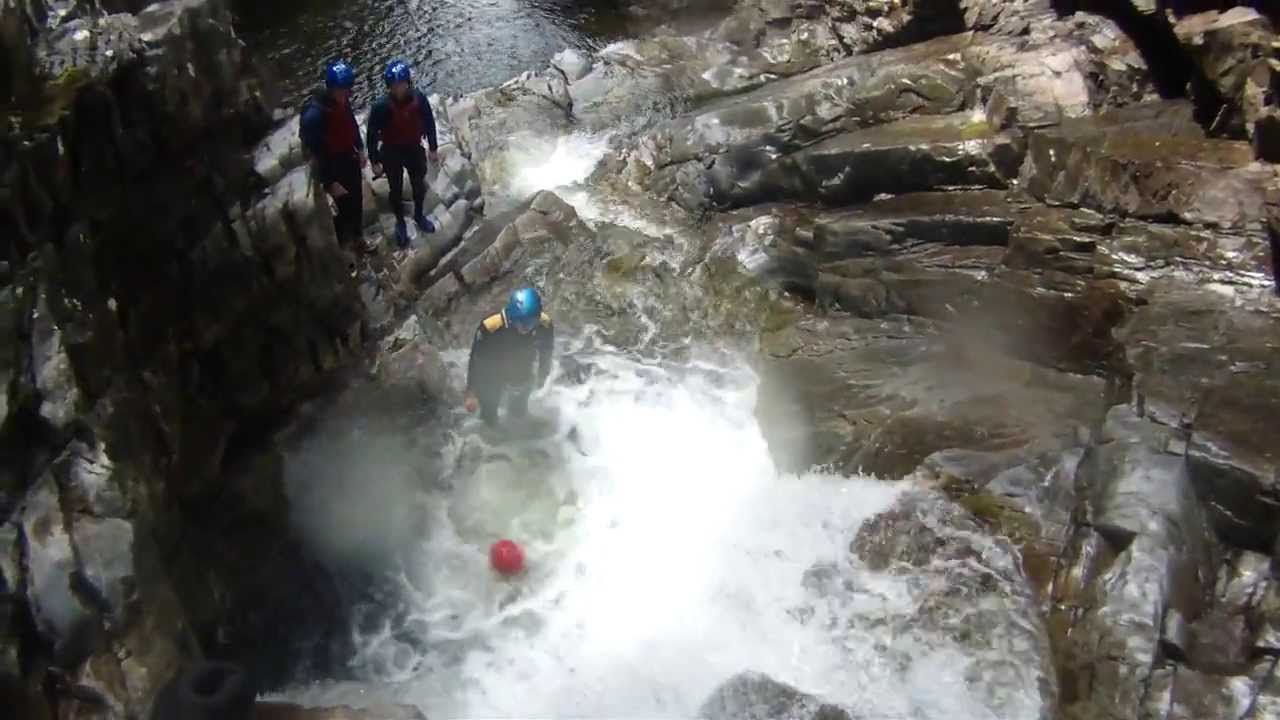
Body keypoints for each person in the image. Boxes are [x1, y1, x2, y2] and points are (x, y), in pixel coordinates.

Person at [366, 60, 439, 249]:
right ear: (389, 87)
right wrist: (374, 160)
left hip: (414, 148)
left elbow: (429, 123)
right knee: (395, 189)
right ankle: (400, 221)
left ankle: (419, 215)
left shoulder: (419, 99)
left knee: (418, 185)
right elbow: (372, 135)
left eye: (402, 84)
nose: (399, 89)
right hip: (392, 151)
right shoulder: (381, 107)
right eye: (395, 86)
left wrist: (433, 148)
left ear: (408, 83)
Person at [300, 60, 369, 250]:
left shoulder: (341, 100)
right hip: (332, 164)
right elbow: (315, 153)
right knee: (342, 207)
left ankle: (358, 238)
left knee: (356, 200)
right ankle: (344, 245)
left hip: (348, 157)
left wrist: (360, 148)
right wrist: (330, 182)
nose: (347, 94)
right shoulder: (314, 116)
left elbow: (351, 123)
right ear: (331, 88)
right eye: (342, 90)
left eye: (348, 89)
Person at [465, 288, 555, 427]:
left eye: (531, 323)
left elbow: (546, 350)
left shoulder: (544, 323)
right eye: (522, 323)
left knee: (518, 414)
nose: (526, 329)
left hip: (522, 369)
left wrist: (543, 375)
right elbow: (476, 359)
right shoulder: (491, 326)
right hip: (493, 371)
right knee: (489, 416)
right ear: (512, 317)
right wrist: (471, 392)